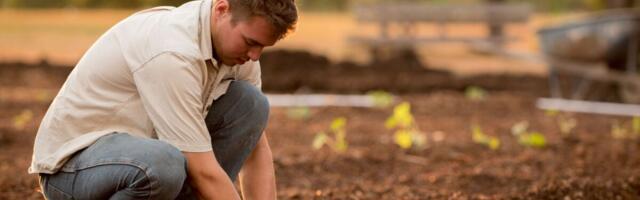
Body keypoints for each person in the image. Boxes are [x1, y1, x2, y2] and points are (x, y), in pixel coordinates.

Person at [28, 0, 297, 199]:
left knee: (251, 104)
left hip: (144, 156)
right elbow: (201, 170)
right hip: (75, 169)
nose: (255, 55)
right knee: (163, 164)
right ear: (221, 9)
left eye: (262, 46)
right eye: (250, 42)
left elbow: (255, 147)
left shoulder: (239, 54)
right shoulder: (173, 52)